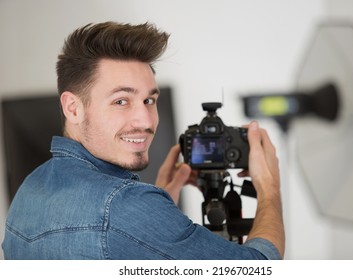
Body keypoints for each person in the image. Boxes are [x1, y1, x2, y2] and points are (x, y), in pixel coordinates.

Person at [2, 21, 284, 260]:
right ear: (73, 108)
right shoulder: (124, 206)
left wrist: (160, 212)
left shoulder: (29, 190)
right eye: (121, 100)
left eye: (149, 99)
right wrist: (269, 187)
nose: (147, 121)